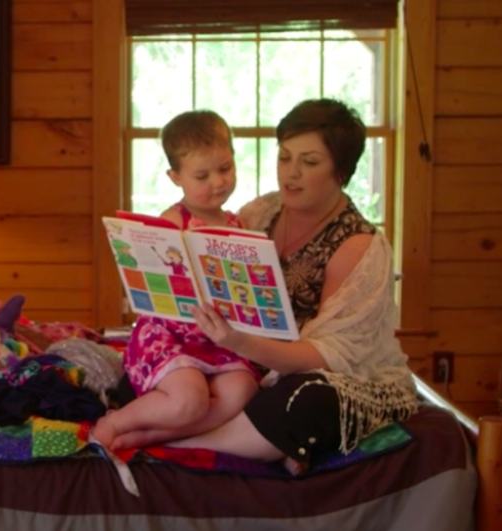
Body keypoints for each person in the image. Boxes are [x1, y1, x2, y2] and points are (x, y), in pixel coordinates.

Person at [106, 98, 419, 474]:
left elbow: (325, 356)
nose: (291, 173)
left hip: (311, 371)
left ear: (341, 171)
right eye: (285, 157)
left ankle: (176, 441)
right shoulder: (262, 213)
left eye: (309, 162)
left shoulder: (358, 245)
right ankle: (257, 440)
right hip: (239, 357)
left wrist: (237, 343)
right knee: (150, 378)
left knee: (307, 400)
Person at [92, 110, 261, 451]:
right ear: (175, 177)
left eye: (225, 168)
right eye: (202, 175)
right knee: (191, 400)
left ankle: (158, 439)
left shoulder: (238, 223)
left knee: (243, 389)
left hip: (219, 339)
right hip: (171, 336)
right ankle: (114, 423)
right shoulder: (172, 221)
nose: (218, 182)